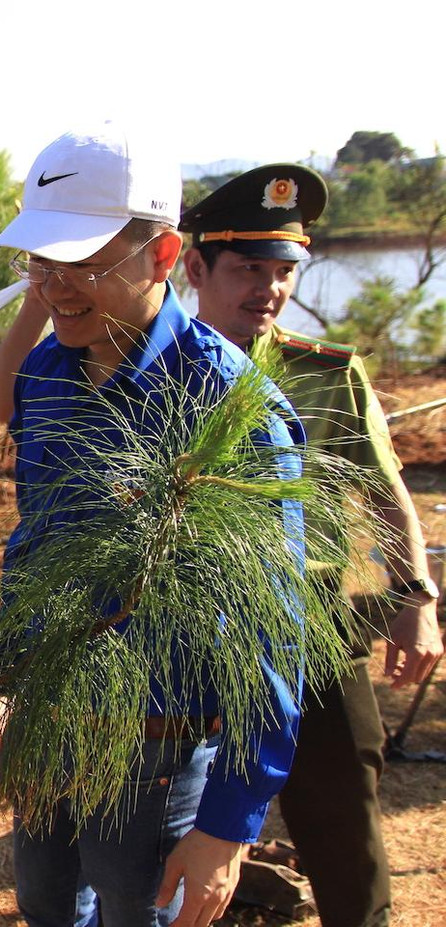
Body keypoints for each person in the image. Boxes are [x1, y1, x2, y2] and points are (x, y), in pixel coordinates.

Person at [0, 124, 305, 927]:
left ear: (160, 255)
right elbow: (36, 541)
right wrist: (5, 679)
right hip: (52, 713)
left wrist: (228, 825)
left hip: (162, 746)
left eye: (83, 261)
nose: (56, 287)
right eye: (41, 263)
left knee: (134, 905)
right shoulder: (46, 374)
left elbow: (275, 631)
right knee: (46, 901)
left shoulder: (232, 410)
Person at [180, 164, 443, 927]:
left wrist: (416, 597)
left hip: (312, 624)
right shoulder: (153, 372)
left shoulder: (328, 375)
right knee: (179, 819)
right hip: (192, 625)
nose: (268, 287)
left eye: (283, 270)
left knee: (340, 805)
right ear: (196, 268)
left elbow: (387, 492)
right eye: (248, 269)